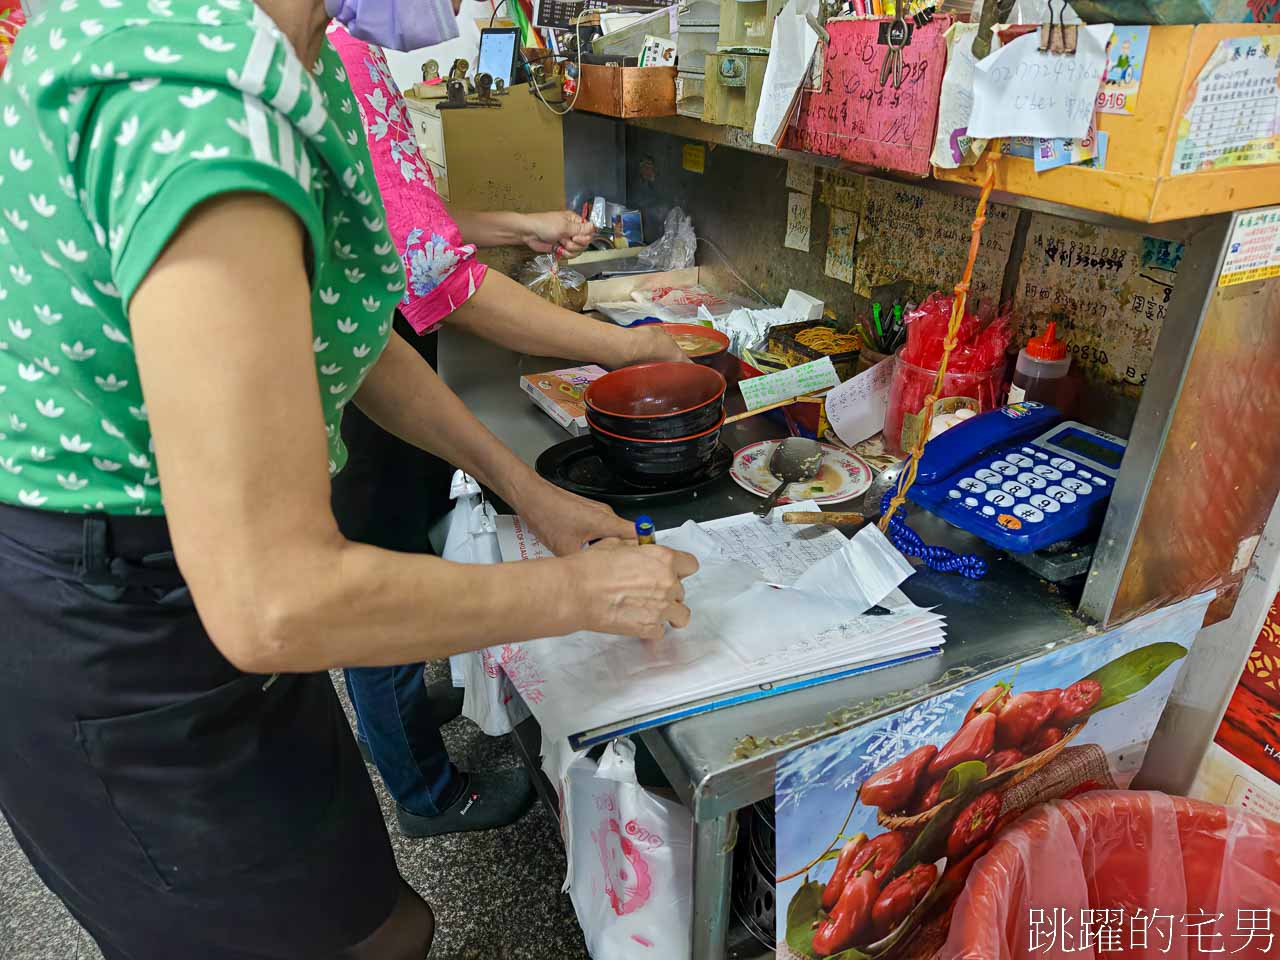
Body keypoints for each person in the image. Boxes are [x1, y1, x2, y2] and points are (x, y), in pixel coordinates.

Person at [0, 0, 698, 956]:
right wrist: (581, 593)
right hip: (114, 616)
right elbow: (272, 602)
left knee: (385, 921)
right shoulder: (198, 106)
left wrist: (531, 492)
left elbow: (352, 338)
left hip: (189, 589)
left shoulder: (297, 64)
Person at [327, 25, 685, 839]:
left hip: (381, 359)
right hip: (351, 384)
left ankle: (420, 681)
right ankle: (427, 794)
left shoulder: (347, 48)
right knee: (378, 576)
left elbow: (397, 219)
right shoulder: (323, 51)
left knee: (406, 553)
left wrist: (513, 223)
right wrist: (631, 347)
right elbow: (441, 278)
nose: (455, 13)